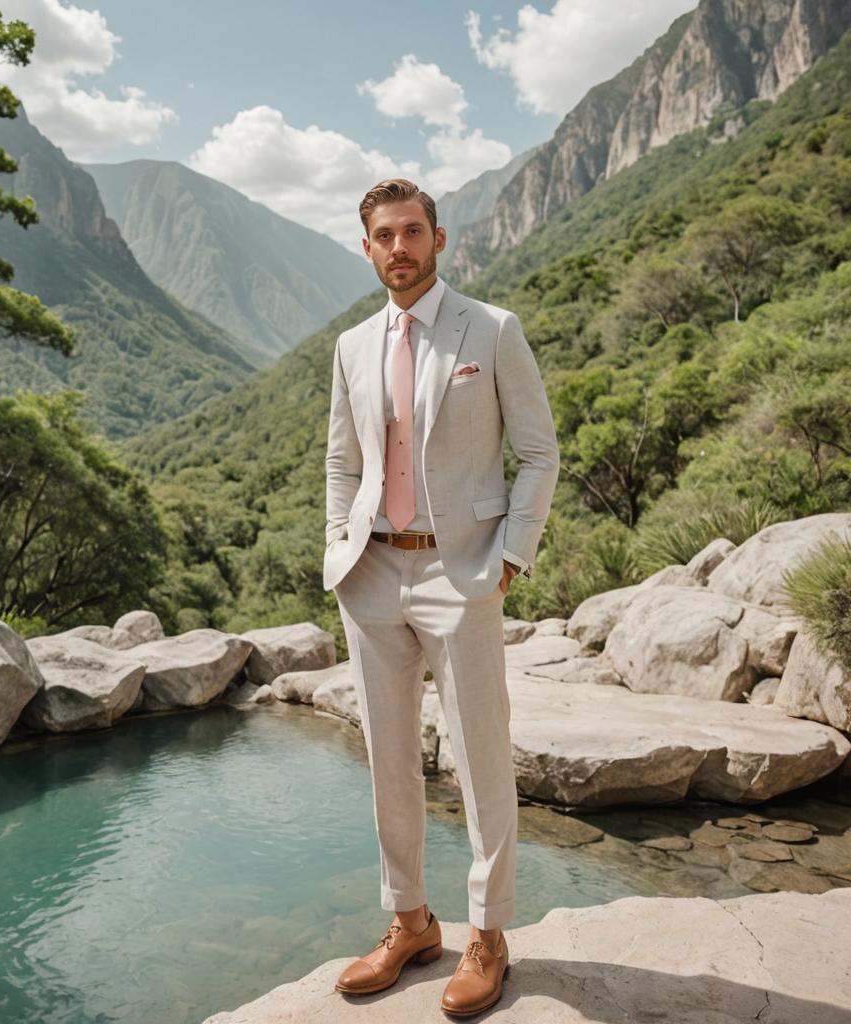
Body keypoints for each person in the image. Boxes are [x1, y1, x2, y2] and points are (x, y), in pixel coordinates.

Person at [322, 178, 560, 1016]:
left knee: (480, 754)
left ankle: (487, 934)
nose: (399, 247)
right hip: (373, 574)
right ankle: (410, 921)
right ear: (367, 248)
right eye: (384, 235)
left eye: (412, 231)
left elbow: (539, 452)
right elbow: (342, 464)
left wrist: (512, 557)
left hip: (463, 573)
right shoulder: (352, 346)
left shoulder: (491, 330)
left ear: (439, 239)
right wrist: (336, 551)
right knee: (388, 758)